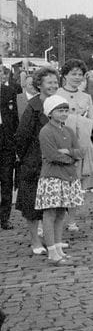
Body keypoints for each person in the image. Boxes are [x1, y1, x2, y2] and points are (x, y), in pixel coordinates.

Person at [35, 95, 85, 266]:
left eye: (66, 110)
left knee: (61, 213)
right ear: (50, 113)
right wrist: (71, 157)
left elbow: (80, 151)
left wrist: (69, 152)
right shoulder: (46, 131)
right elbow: (51, 155)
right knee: (49, 214)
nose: (64, 114)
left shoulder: (69, 131)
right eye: (60, 111)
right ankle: (52, 251)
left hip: (67, 177)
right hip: (52, 177)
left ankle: (58, 248)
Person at [16, 67, 60, 256]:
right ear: (39, 84)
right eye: (49, 82)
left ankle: (52, 240)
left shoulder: (58, 104)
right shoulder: (33, 107)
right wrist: (26, 159)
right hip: (34, 162)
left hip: (53, 161)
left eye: (55, 82)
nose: (53, 86)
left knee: (52, 203)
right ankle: (35, 240)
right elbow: (22, 136)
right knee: (32, 202)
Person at [57, 60, 93, 233]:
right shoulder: (58, 94)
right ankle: (57, 217)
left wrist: (83, 121)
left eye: (80, 74)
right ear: (65, 75)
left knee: (76, 181)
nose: (76, 77)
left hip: (81, 142)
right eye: (73, 74)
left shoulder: (86, 97)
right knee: (60, 181)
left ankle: (72, 219)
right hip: (61, 142)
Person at [0, 66, 20, 230]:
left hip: (6, 142)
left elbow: (15, 120)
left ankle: (4, 218)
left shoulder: (9, 91)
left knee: (6, 180)